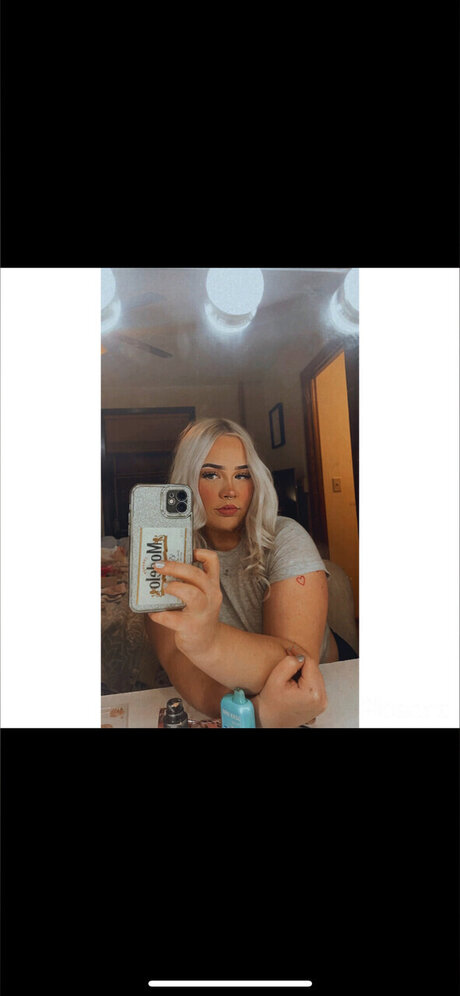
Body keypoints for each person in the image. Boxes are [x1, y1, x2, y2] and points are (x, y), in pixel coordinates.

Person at [144, 418, 344, 727]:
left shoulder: (285, 537)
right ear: (186, 481)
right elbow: (180, 667)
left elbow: (297, 672)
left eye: (242, 475)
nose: (230, 491)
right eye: (211, 474)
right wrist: (259, 714)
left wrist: (206, 641)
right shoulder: (163, 553)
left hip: (336, 692)